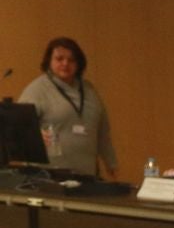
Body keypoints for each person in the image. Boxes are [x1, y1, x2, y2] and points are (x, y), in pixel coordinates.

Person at [16, 37, 115, 178]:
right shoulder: (37, 90)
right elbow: (18, 128)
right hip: (48, 175)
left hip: (86, 173)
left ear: (79, 63)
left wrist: (111, 163)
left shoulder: (89, 90)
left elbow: (103, 131)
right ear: (49, 62)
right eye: (59, 59)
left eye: (71, 60)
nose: (65, 64)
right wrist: (35, 135)